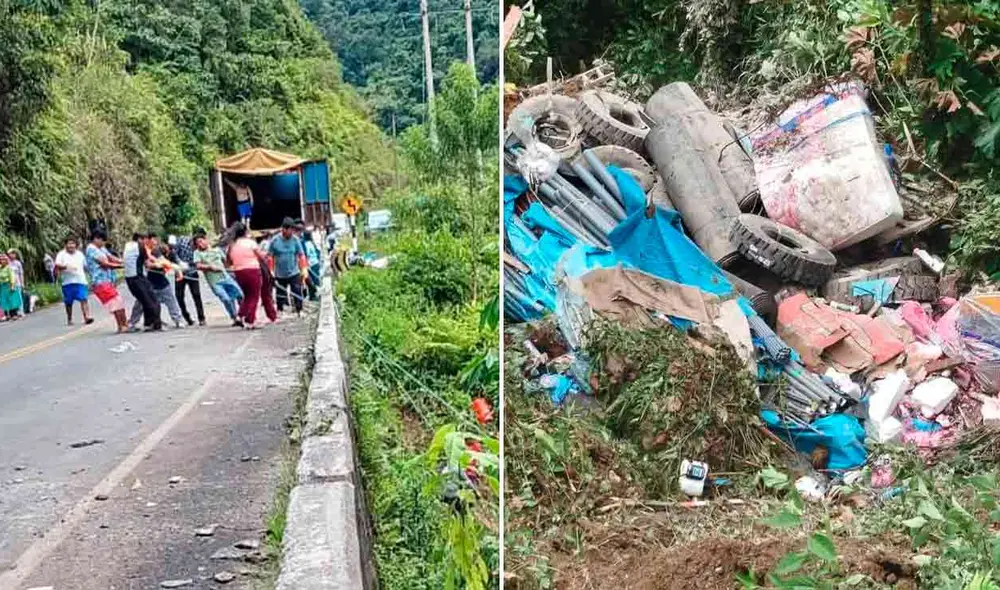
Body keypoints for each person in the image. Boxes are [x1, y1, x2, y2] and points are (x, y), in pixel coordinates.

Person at [193, 234, 244, 326]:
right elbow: (198, 265)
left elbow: (227, 262)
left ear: (206, 240)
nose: (200, 244)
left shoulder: (217, 250)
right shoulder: (197, 253)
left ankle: (243, 314)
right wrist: (210, 267)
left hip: (226, 277)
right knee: (226, 299)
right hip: (215, 282)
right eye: (197, 244)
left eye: (201, 241)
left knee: (240, 295)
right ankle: (234, 317)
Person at [227, 223, 269, 329]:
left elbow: (228, 261)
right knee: (255, 296)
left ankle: (240, 316)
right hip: (252, 271)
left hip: (238, 272)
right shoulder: (250, 243)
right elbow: (261, 256)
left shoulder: (232, 245)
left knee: (247, 296)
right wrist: (266, 255)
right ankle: (250, 321)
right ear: (245, 232)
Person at [85, 230, 128, 332]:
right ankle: (121, 326)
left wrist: (125, 261)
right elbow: (105, 264)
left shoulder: (101, 248)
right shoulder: (91, 249)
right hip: (100, 282)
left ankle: (124, 325)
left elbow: (111, 258)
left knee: (118, 302)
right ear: (96, 239)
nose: (103, 243)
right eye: (102, 240)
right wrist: (121, 266)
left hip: (107, 281)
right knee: (116, 303)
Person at [124, 232, 162, 332]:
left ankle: (148, 324)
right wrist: (159, 265)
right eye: (145, 239)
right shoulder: (140, 247)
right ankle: (156, 324)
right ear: (140, 239)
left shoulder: (128, 245)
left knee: (145, 301)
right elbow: (147, 264)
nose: (146, 242)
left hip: (129, 279)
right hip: (138, 278)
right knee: (153, 301)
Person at [268, 217, 306, 316]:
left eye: (293, 230)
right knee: (280, 294)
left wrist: (304, 268)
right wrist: (271, 270)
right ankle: (280, 310)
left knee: (297, 291)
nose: (292, 232)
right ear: (284, 229)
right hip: (280, 273)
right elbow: (270, 256)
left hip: (294, 271)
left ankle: (299, 310)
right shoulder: (275, 241)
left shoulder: (295, 240)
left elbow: (301, 255)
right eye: (290, 230)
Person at [168, 232, 206, 326]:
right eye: (194, 245)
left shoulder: (199, 248)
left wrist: (191, 265)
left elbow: (199, 260)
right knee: (179, 296)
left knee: (196, 295)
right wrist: (179, 262)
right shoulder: (182, 240)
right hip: (180, 272)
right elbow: (173, 252)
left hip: (192, 272)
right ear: (192, 241)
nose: (195, 247)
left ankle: (201, 318)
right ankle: (187, 318)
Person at [54, 237, 93, 326]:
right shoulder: (61, 254)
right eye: (69, 243)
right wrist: (66, 267)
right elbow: (57, 265)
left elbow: (85, 266)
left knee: (83, 298)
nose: (71, 245)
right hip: (67, 282)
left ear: (76, 245)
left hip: (80, 280)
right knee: (68, 302)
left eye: (73, 243)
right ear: (65, 245)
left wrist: (91, 275)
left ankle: (87, 317)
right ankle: (69, 319)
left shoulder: (80, 254)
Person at [148, 242, 184, 329]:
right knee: (144, 304)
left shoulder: (167, 257)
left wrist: (179, 272)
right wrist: (156, 264)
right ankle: (153, 322)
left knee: (172, 302)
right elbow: (154, 264)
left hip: (162, 284)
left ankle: (178, 320)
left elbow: (174, 265)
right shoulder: (153, 256)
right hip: (151, 284)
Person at [0, 253, 23, 321]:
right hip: (2, 286)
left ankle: (14, 314)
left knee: (12, 300)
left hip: (9, 285)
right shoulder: (0, 268)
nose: (2, 261)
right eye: (1, 260)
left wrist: (12, 285)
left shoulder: (9, 268)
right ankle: (7, 315)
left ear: (6, 260)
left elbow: (12, 277)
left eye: (3, 260)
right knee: (5, 300)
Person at [302, 229, 322, 301]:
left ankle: (313, 296)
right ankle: (316, 296)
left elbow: (307, 255)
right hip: (316, 262)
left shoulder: (306, 244)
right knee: (316, 280)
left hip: (311, 264)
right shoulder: (312, 243)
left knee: (311, 281)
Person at [7, 249, 26, 315]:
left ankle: (21, 311)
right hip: (10, 284)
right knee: (12, 298)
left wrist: (22, 283)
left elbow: (21, 274)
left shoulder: (18, 263)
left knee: (19, 297)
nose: (11, 255)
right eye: (9, 254)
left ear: (15, 255)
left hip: (17, 283)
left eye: (12, 253)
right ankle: (15, 313)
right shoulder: (7, 263)